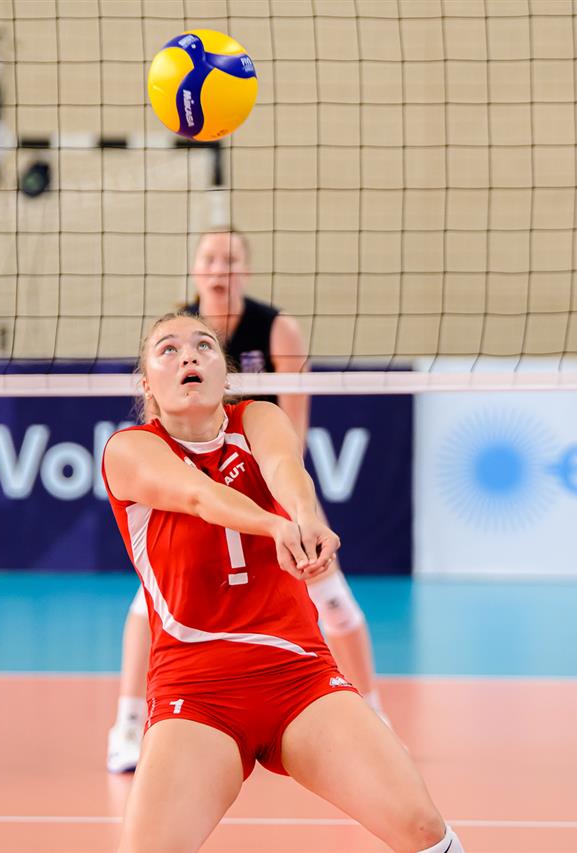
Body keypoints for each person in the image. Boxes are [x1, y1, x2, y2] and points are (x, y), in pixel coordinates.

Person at [102, 312, 462, 853]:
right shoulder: (129, 450)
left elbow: (285, 469)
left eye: (203, 345)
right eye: (168, 350)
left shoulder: (258, 417)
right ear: (147, 384)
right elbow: (198, 495)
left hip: (299, 675)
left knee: (422, 828)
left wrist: (306, 518)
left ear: (226, 373)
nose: (188, 356)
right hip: (197, 690)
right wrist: (276, 527)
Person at [106, 226, 386, 773]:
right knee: (147, 606)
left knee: (334, 599)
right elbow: (192, 489)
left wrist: (297, 513)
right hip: (197, 493)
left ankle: (373, 712)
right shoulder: (174, 333)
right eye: (210, 259)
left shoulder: (277, 330)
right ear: (195, 270)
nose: (219, 269)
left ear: (246, 271)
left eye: (230, 260)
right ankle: (128, 724)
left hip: (266, 481)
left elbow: (288, 443)